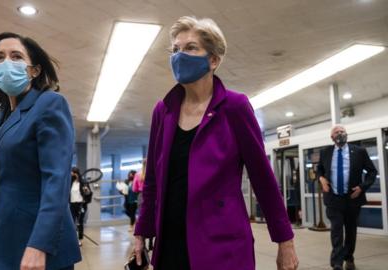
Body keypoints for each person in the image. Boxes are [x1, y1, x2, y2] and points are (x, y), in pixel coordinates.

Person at [133, 16, 298, 270]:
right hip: (170, 246)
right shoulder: (163, 111)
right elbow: (153, 180)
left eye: (190, 48)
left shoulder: (235, 107)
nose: (179, 56)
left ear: (213, 60)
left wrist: (284, 240)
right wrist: (141, 230)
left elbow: (262, 178)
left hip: (222, 246)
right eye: (175, 49)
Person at [0, 32, 81, 270]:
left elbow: (56, 181)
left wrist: (40, 245)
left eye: (16, 56)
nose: (6, 62)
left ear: (33, 70)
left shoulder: (50, 104)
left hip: (35, 246)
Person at [317, 125, 377, 270]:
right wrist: (321, 179)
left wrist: (362, 187)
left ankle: (349, 257)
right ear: (332, 137)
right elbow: (319, 169)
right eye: (337, 132)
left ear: (347, 135)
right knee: (336, 230)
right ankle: (337, 263)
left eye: (342, 131)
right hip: (334, 199)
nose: (340, 134)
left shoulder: (359, 152)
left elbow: (372, 172)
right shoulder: (326, 152)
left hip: (352, 198)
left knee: (351, 231)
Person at [70, 167, 92, 246]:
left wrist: (86, 190)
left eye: (72, 173)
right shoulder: (70, 183)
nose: (71, 174)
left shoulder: (84, 182)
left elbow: (89, 193)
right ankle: (73, 238)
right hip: (72, 205)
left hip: (81, 205)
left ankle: (79, 239)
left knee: (80, 222)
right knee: (72, 222)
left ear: (75, 173)